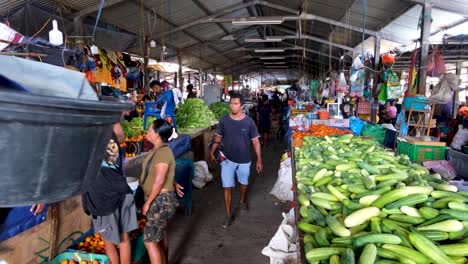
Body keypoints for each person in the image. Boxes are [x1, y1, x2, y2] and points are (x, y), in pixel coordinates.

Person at [81, 123, 138, 264]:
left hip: (103, 197)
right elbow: (121, 135)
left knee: (108, 241)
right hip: (122, 189)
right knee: (124, 239)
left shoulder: (82, 136)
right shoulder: (109, 127)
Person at [210, 93, 263, 228]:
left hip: (244, 159)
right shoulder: (224, 120)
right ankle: (228, 215)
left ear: (242, 106)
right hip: (227, 159)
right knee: (227, 187)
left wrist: (259, 160)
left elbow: (256, 141)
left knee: (243, 184)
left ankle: (242, 199)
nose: (232, 106)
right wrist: (212, 150)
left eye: (235, 104)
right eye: (231, 103)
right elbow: (218, 137)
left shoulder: (249, 122)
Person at [140, 119, 181, 264]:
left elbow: (159, 180)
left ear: (157, 134)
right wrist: (173, 182)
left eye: (150, 130)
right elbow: (163, 173)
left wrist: (148, 203)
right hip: (161, 199)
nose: (147, 132)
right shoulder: (158, 149)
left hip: (160, 201)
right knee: (161, 236)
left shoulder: (163, 152)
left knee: (150, 242)